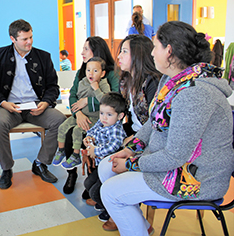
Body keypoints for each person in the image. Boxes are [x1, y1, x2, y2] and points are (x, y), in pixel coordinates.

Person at [98, 21, 234, 235]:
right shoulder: (172, 81)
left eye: (155, 47)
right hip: (174, 164)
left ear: (168, 51)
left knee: (111, 192)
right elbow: (153, 122)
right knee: (106, 166)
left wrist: (131, 164)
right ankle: (142, 227)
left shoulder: (195, 94)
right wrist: (131, 148)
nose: (152, 53)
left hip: (197, 178)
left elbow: (174, 157)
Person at [0, 19, 66, 189]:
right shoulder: (0, 55)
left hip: (36, 106)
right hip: (10, 106)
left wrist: (45, 102)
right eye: (24, 39)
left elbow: (53, 86)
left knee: (60, 121)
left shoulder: (43, 57)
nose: (29, 42)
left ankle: (40, 163)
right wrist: (3, 103)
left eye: (30, 37)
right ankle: (7, 169)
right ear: (13, 39)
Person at [62, 36, 119, 195]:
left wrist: (87, 101)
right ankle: (71, 174)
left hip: (103, 122)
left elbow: (114, 100)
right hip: (83, 117)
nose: (82, 53)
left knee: (97, 140)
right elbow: (73, 95)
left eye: (86, 49)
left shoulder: (112, 74)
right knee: (68, 134)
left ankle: (93, 180)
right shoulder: (82, 72)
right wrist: (78, 112)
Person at [53, 57, 111, 169]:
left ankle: (75, 155)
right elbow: (78, 97)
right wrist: (79, 110)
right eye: (88, 70)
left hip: (94, 118)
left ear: (102, 73)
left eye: (95, 71)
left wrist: (96, 89)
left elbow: (106, 101)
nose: (91, 73)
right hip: (81, 114)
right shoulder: (82, 82)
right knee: (62, 127)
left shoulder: (104, 84)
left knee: (77, 130)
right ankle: (61, 151)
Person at [82, 92, 126, 222]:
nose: (104, 118)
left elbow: (113, 146)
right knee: (88, 184)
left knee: (96, 192)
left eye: (109, 114)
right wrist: (88, 138)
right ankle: (102, 203)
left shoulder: (116, 129)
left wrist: (96, 150)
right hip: (99, 165)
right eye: (102, 113)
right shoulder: (102, 123)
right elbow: (91, 131)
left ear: (120, 116)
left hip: (110, 168)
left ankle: (110, 209)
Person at [117, 35, 162, 138]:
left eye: (124, 51)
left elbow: (153, 123)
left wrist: (133, 140)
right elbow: (116, 109)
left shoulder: (153, 82)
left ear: (138, 54)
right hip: (133, 131)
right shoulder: (125, 81)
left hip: (149, 137)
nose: (119, 56)